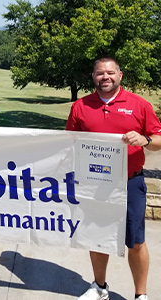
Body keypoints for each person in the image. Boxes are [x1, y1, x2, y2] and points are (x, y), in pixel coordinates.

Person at [66, 56, 161, 300]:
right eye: (100, 73)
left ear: (120, 75)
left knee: (136, 241)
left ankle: (141, 295)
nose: (104, 77)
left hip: (130, 182)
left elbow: (158, 139)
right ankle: (99, 287)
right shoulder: (80, 106)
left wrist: (146, 140)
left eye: (110, 72)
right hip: (94, 183)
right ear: (93, 77)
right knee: (97, 237)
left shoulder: (139, 104)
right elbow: (69, 142)